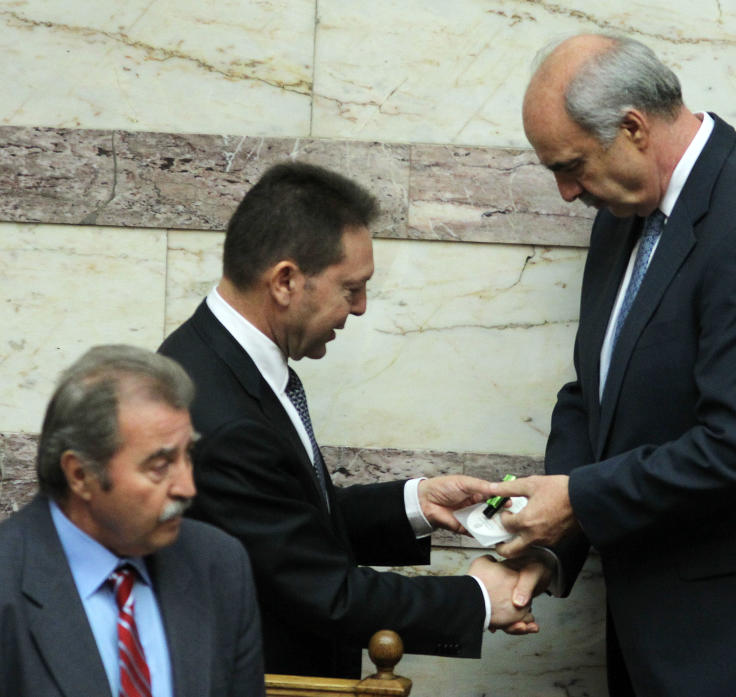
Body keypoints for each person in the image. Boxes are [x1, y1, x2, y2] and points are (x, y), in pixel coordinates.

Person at [483, 34, 736, 697]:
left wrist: (577, 501)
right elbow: (596, 394)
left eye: (572, 164)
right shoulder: (624, 209)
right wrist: (550, 541)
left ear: (634, 127)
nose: (564, 191)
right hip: (655, 627)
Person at [158, 161, 538, 679]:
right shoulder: (223, 418)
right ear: (286, 281)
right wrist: (477, 598)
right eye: (350, 288)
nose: (359, 308)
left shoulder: (218, 357)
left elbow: (287, 521)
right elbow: (323, 592)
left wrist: (416, 503)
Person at [0, 345, 264, 697]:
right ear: (80, 475)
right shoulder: (8, 580)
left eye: (188, 455)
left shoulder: (219, 565)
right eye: (159, 466)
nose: (187, 487)